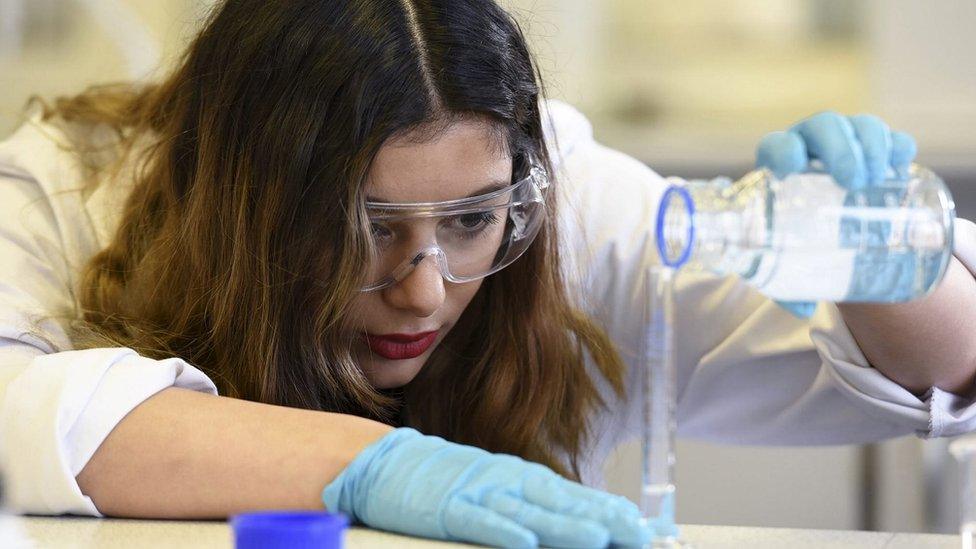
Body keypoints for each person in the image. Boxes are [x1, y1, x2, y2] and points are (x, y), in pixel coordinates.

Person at [2, 1, 976, 547]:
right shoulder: (69, 189)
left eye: (469, 222)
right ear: (244, 206)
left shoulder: (567, 207)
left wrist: (882, 252)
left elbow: (942, 381)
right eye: (364, 227)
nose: (423, 289)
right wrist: (364, 469)